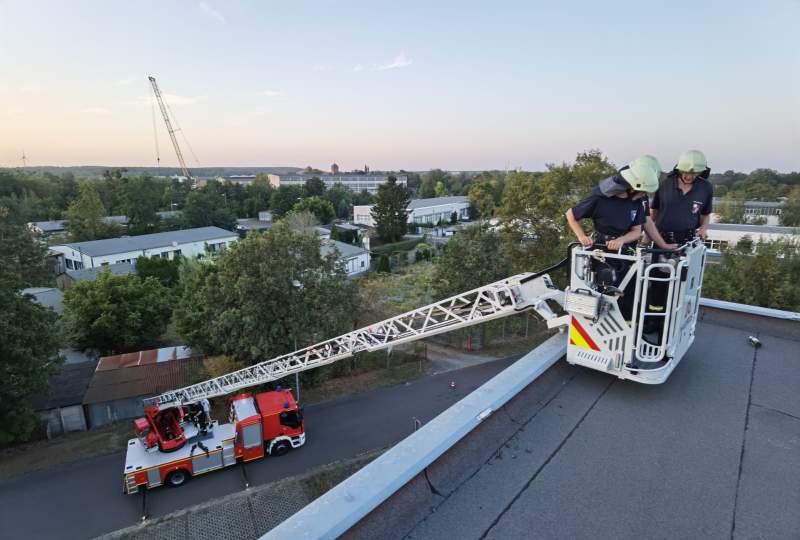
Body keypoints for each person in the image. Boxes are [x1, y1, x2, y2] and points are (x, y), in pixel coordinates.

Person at [565, 155, 660, 321]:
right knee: (610, 283)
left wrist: (621, 240)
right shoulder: (600, 199)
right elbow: (571, 215)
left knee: (631, 287)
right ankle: (605, 324)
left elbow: (637, 230)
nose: (644, 195)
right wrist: (582, 236)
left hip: (625, 249)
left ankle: (628, 325)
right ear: (631, 186)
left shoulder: (635, 201)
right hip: (601, 251)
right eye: (643, 191)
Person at [650, 149, 713, 244]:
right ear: (679, 169)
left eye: (694, 173)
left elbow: (705, 215)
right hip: (661, 239)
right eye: (686, 172)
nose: (689, 177)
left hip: (688, 241)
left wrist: (703, 229)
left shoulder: (706, 187)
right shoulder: (665, 184)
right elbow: (654, 211)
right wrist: (646, 235)